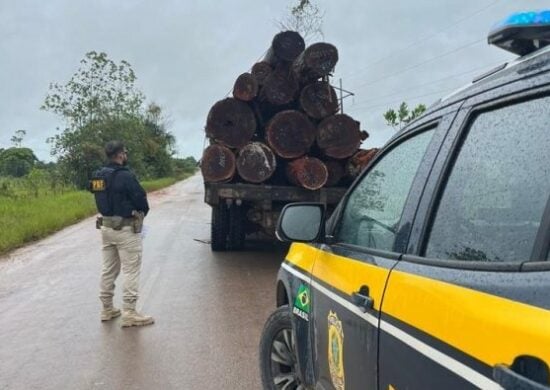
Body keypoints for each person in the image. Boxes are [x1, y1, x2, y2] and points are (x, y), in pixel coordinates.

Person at [90, 140, 154, 327]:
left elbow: (96, 194)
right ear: (119, 155)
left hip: (106, 227)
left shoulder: (97, 176)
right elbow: (141, 199)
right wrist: (141, 213)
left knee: (108, 269)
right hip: (125, 228)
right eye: (125, 153)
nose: (126, 156)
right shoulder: (126, 176)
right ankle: (129, 312)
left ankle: (107, 309)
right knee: (131, 270)